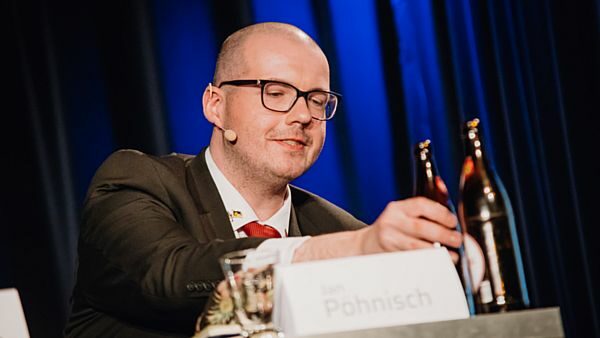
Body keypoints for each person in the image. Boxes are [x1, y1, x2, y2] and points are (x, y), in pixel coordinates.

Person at [65, 22, 462, 337]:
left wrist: (451, 266)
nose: (303, 115)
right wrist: (339, 251)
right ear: (215, 106)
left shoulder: (338, 230)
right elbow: (167, 276)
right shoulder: (136, 182)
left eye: (317, 100)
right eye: (276, 92)